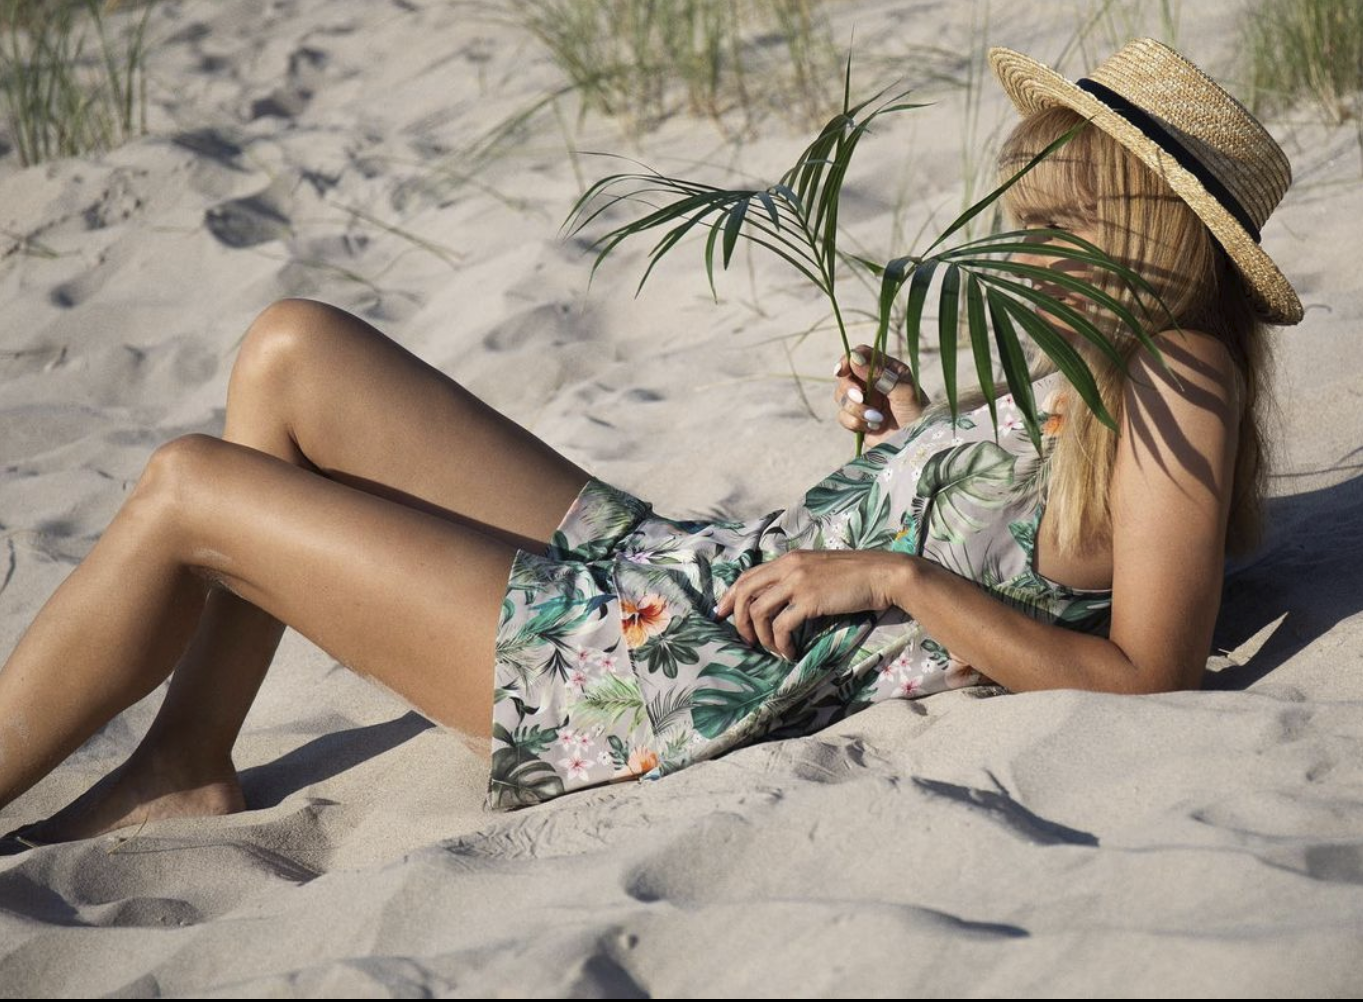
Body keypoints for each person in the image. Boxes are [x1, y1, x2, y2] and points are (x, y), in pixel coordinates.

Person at [0, 38, 1304, 848]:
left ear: (1141, 226)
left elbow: (1150, 678)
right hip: (681, 568)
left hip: (662, 665)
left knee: (188, 487)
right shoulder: (1104, 365)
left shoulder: (1178, 372)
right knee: (291, 348)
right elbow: (1044, 532)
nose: (1022, 231)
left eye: (1057, 209)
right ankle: (186, 755)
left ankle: (173, 759)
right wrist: (914, 436)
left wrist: (898, 576)